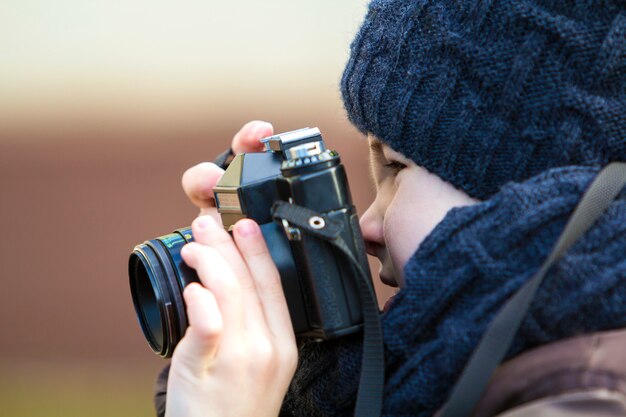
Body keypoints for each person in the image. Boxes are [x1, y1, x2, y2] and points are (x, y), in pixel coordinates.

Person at [155, 0, 626, 416]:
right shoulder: (433, 372)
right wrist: (242, 347)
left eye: (396, 169)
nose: (366, 226)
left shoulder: (587, 396)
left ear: (533, 190)